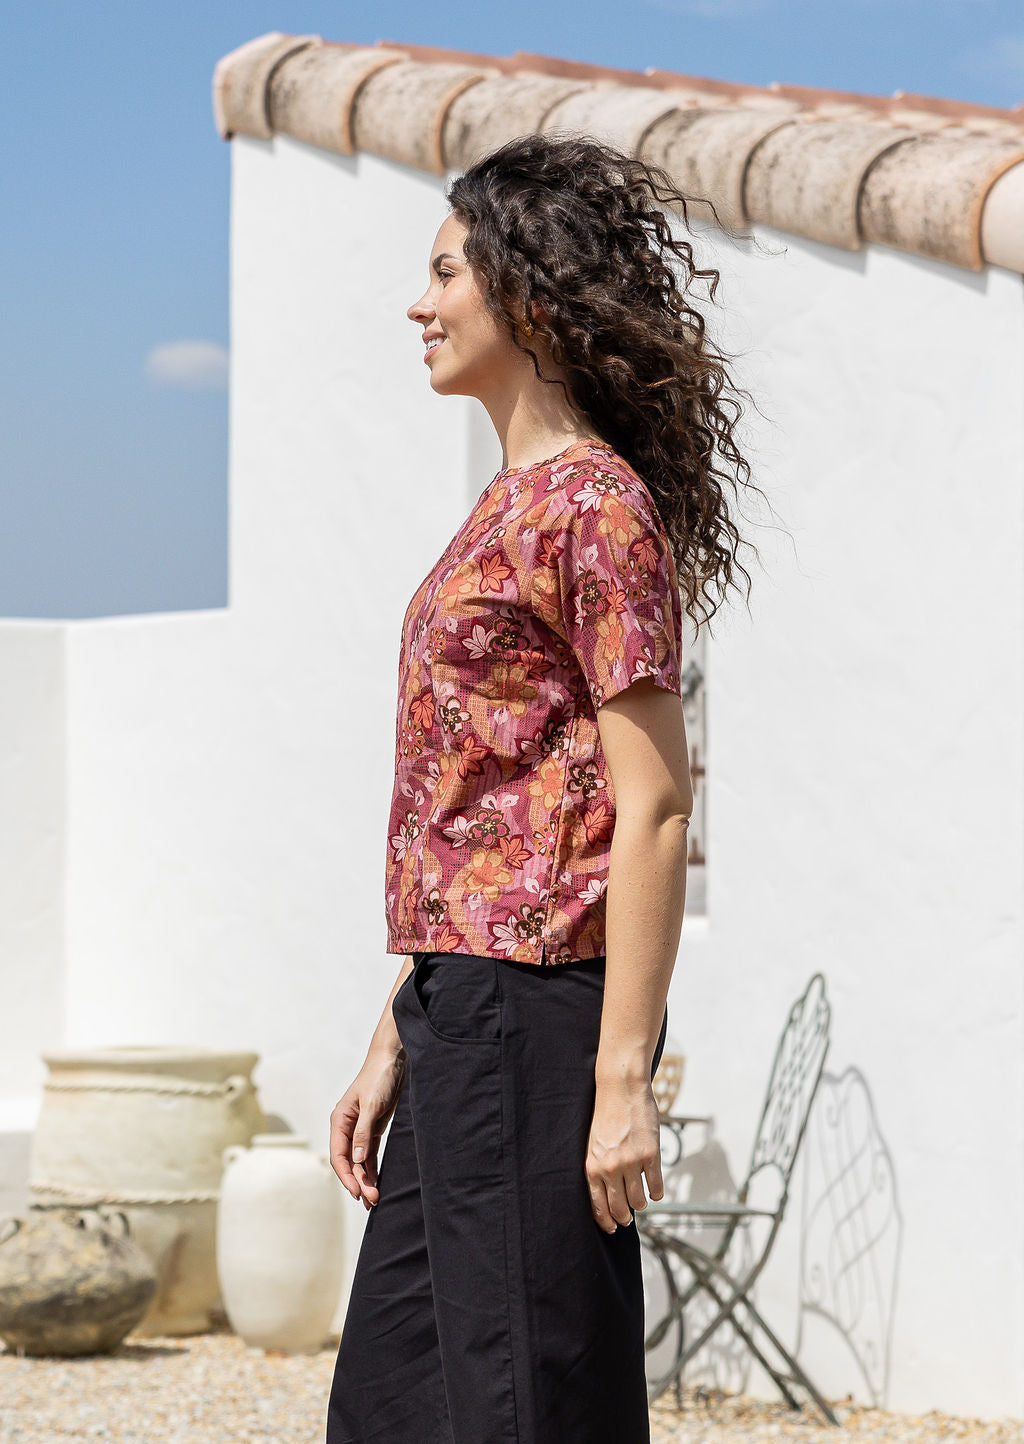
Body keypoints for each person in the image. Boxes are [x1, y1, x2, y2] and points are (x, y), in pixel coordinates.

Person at [325, 132, 762, 1444]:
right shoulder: (507, 504)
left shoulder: (592, 512)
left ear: (529, 292)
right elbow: (496, 807)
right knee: (398, 1414)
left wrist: (624, 1077)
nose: (420, 301)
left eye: (447, 271)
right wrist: (402, 1024)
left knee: (525, 1411)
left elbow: (657, 804)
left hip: (536, 1033)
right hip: (462, 1014)